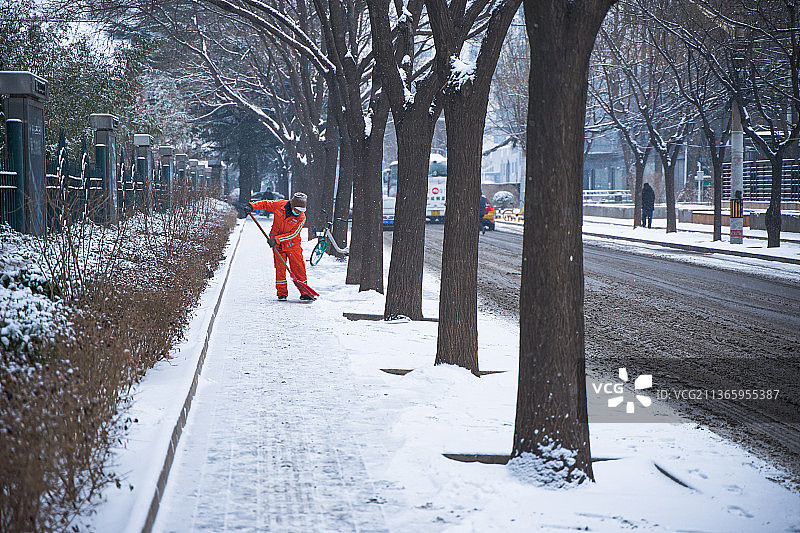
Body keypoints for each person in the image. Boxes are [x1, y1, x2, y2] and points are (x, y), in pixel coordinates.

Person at [243, 192, 312, 300]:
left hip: (293, 245)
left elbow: (293, 234)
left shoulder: (301, 218)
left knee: (299, 269)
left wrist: (276, 239)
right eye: (297, 209)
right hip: (277, 246)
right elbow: (266, 204)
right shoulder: (280, 205)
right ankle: (282, 293)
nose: (299, 212)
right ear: (292, 205)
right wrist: (252, 206)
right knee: (280, 269)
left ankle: (305, 293)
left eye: (301, 211)